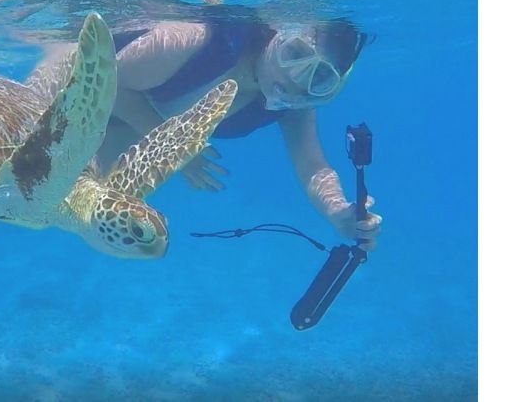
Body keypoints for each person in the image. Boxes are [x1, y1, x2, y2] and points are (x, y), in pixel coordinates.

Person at [27, 13, 382, 251]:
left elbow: (312, 166)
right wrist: (177, 148)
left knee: (62, 202)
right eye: (294, 53)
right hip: (78, 78)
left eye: (318, 78)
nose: (294, 79)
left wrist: (337, 212)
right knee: (21, 151)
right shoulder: (196, 41)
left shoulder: (294, 107)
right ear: (275, 35)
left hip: (127, 123)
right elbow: (111, 83)